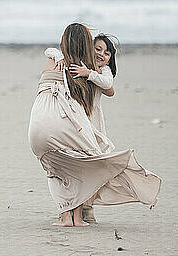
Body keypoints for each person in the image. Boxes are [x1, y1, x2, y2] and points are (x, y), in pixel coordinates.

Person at [28, 23, 161, 227]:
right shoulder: (74, 67)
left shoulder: (88, 70)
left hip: (45, 123)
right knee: (88, 164)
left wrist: (85, 70)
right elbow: (54, 52)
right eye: (97, 48)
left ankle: (72, 215)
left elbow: (109, 88)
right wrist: (64, 58)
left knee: (65, 167)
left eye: (106, 52)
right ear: (88, 46)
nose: (100, 54)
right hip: (76, 122)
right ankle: (78, 216)